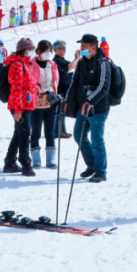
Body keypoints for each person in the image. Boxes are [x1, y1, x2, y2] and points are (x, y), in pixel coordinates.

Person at [65, 34, 111, 183]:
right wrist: (67, 100)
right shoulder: (82, 62)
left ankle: (101, 171)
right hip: (83, 108)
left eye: (84, 46)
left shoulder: (103, 63)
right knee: (79, 135)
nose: (81, 48)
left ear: (93, 47)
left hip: (98, 109)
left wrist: (90, 101)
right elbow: (74, 83)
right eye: (81, 46)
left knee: (97, 140)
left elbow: (103, 86)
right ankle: (92, 165)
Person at [27, 40, 60, 169]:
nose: (48, 54)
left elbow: (55, 82)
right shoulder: (31, 64)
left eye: (50, 51)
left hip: (50, 100)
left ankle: (50, 159)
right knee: (35, 132)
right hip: (36, 102)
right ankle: (36, 160)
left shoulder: (52, 64)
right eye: (46, 51)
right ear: (38, 51)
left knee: (50, 132)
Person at [54, 41, 74, 138]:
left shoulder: (61, 59)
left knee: (62, 111)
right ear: (57, 50)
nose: (65, 50)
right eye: (64, 48)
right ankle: (58, 131)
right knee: (60, 110)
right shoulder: (57, 60)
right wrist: (77, 58)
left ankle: (62, 130)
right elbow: (69, 67)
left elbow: (72, 65)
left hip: (64, 88)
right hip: (60, 89)